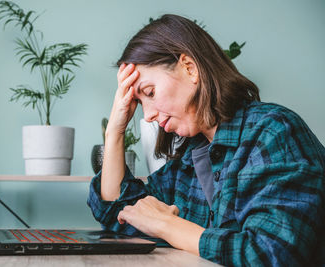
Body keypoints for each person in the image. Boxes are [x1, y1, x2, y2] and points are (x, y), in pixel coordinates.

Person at [87, 14, 325, 266]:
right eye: (139, 102)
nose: (147, 116)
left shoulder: (274, 132)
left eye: (150, 92)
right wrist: (115, 129)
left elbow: (269, 255)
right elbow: (119, 213)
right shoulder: (190, 160)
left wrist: (168, 225)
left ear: (190, 68)